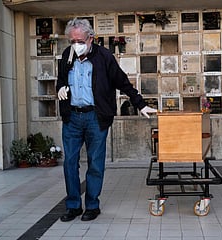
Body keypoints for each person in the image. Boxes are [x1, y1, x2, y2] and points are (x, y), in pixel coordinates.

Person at [56, 18, 157, 222]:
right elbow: (62, 78)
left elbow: (122, 82)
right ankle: (74, 205)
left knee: (95, 163)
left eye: (79, 40)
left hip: (96, 117)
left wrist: (140, 104)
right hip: (72, 117)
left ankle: (92, 205)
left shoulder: (104, 57)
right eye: (72, 40)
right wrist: (60, 87)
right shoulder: (67, 55)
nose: (76, 44)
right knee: (69, 162)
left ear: (90, 38)